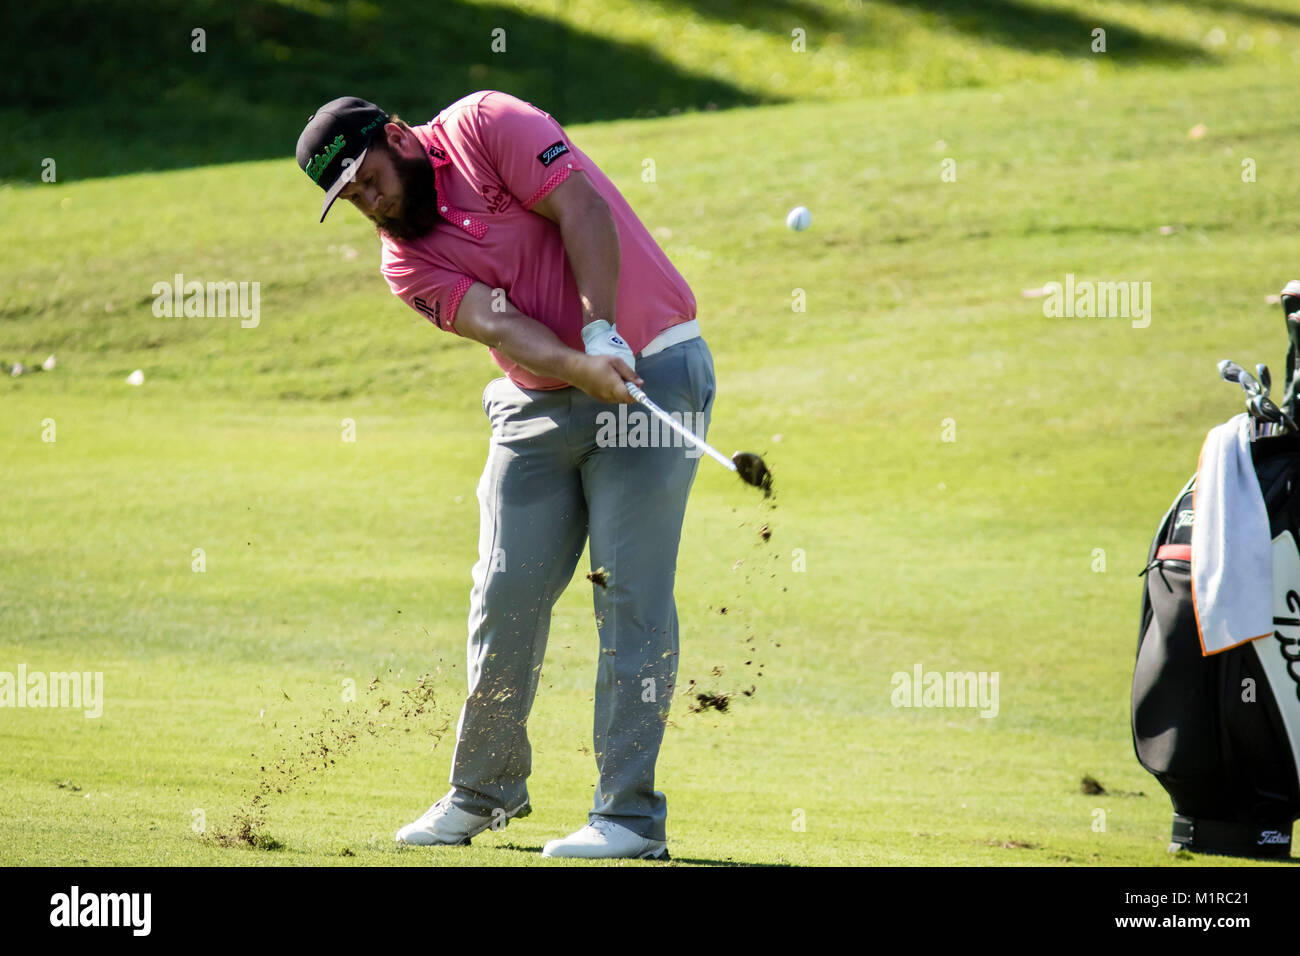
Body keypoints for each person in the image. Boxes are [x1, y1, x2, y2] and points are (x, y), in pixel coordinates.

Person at [295, 92, 715, 859]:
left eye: (369, 179)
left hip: (650, 366)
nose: (371, 203)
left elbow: (582, 208)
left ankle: (628, 819)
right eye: (351, 198)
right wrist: (579, 367)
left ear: (397, 136)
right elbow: (495, 323)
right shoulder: (404, 260)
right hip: (538, 401)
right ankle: (484, 792)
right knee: (502, 591)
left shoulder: (487, 124)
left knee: (629, 592)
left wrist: (601, 332)